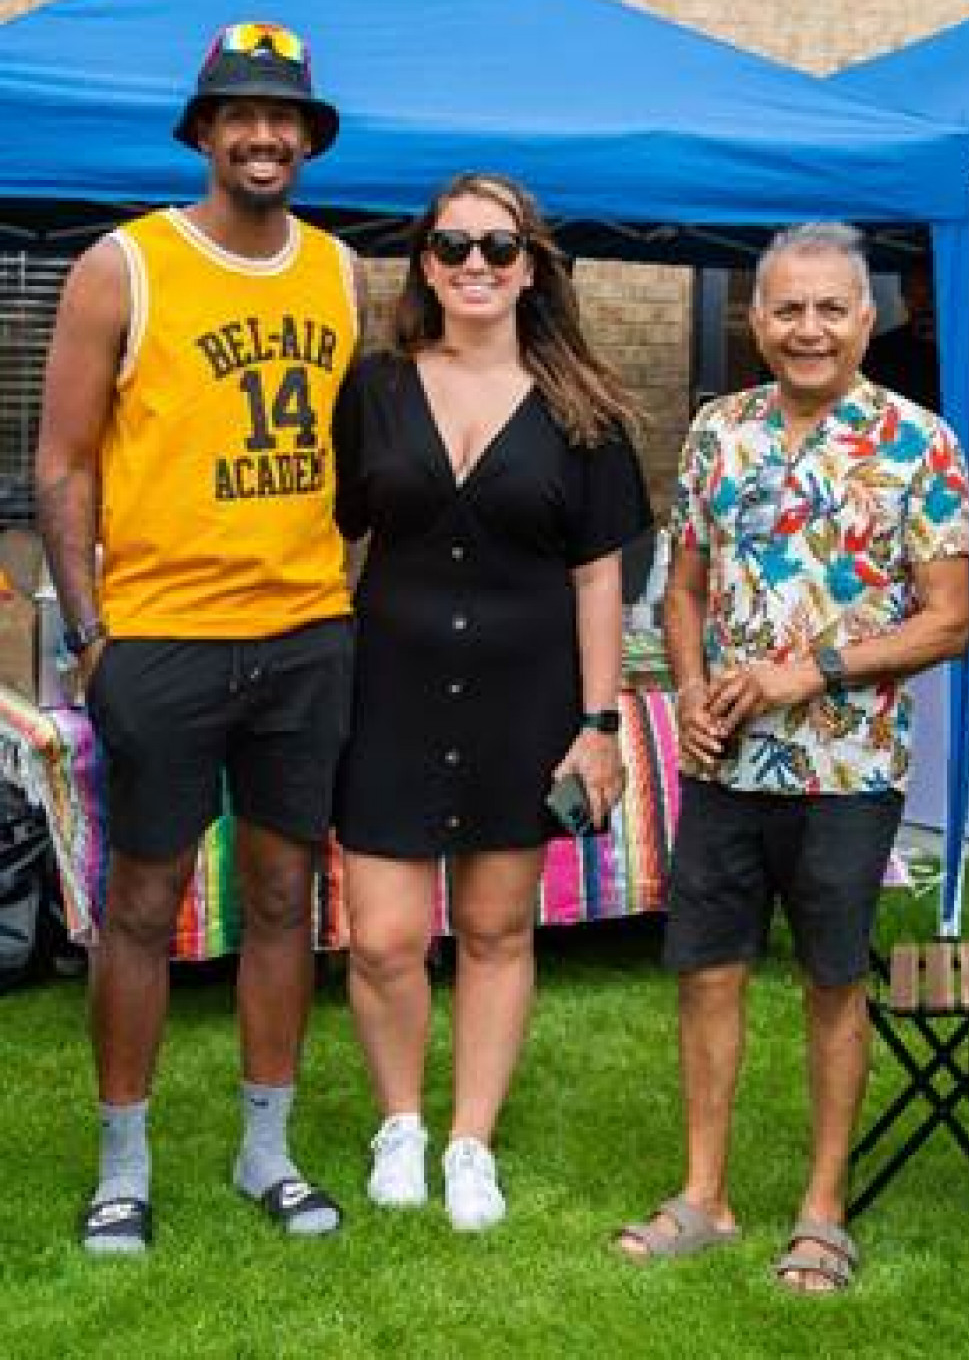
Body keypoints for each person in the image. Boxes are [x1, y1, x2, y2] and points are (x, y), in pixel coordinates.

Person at [34, 21, 362, 1254]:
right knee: (143, 901)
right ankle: (125, 1162)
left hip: (303, 633)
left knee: (285, 892)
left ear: (307, 139)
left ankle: (263, 1148)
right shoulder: (126, 264)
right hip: (162, 636)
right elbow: (62, 461)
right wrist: (93, 630)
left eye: (284, 118)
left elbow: (342, 453)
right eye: (241, 114)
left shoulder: (337, 271)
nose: (264, 134)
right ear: (205, 132)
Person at [618, 223, 969, 1289]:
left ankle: (821, 1209)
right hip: (725, 764)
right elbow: (681, 588)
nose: (807, 328)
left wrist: (805, 670)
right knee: (707, 973)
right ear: (756, 318)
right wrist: (687, 685)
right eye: (787, 308)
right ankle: (704, 1194)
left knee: (830, 980)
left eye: (831, 308)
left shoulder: (920, 442)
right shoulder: (714, 432)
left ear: (866, 318)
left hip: (847, 770)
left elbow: (947, 620)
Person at [332, 172, 652, 1232]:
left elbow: (599, 577)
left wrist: (599, 724)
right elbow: (332, 538)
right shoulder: (374, 387)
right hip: (386, 693)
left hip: (526, 699)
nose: (476, 264)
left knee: (494, 925)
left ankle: (469, 1139)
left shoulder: (584, 410)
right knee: (380, 935)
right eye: (454, 244)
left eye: (498, 248)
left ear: (531, 266)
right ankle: (400, 1124)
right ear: (424, 260)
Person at [864, 256, 940, 412]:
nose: (922, 305)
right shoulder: (879, 352)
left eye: (930, 295)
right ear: (903, 296)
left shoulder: (967, 352)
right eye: (913, 295)